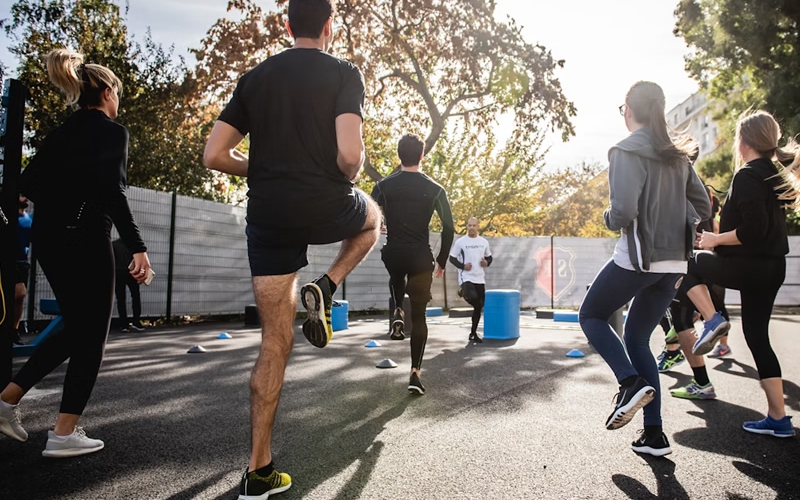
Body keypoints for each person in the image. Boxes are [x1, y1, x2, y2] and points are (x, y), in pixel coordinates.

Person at [203, 0, 380, 496]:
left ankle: (259, 471)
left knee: (273, 345)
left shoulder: (256, 77)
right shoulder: (345, 72)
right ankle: (327, 283)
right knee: (372, 221)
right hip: (326, 202)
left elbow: (214, 154)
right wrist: (348, 173)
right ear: (328, 27)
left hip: (269, 216)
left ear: (287, 26)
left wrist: (261, 167)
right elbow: (349, 155)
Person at [0, 48, 151, 457]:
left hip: (50, 243)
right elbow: (113, 192)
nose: (117, 102)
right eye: (117, 93)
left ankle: (7, 400)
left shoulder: (61, 133)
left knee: (75, 329)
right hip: (86, 240)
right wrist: (137, 247)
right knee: (92, 337)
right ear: (105, 92)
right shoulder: (111, 132)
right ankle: (63, 433)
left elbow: (24, 184)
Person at [578, 81, 711, 457]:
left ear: (630, 111)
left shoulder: (624, 150)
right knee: (637, 339)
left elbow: (622, 212)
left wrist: (607, 216)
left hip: (639, 258)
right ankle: (654, 435)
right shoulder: (679, 156)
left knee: (590, 314)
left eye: (622, 109)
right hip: (674, 264)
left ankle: (629, 381)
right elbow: (703, 207)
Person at [683, 110, 799, 438]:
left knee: (689, 263)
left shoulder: (748, 175)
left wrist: (715, 239)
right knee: (757, 338)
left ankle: (712, 319)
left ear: (743, 141)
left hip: (750, 265)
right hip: (772, 266)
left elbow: (752, 230)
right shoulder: (774, 174)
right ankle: (778, 418)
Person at [371, 134, 455, 395]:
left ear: (399, 155)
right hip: (420, 257)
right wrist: (441, 261)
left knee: (396, 273)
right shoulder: (436, 189)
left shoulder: (383, 186)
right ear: (422, 155)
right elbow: (449, 228)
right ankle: (415, 374)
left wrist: (381, 224)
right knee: (419, 317)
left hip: (394, 252)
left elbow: (369, 215)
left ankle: (397, 309)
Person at [449, 217, 493, 343]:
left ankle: (473, 334)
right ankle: (464, 290)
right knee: (474, 299)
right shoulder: (461, 242)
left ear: (478, 226)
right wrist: (463, 266)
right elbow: (452, 258)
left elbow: (489, 257)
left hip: (480, 278)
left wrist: (486, 262)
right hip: (466, 277)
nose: (471, 228)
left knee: (479, 306)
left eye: (474, 225)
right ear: (467, 227)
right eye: (469, 225)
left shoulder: (484, 242)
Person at [112, 238, 144, 332]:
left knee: (121, 300)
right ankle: (136, 321)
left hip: (118, 274)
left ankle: (124, 325)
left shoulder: (114, 245)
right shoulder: (133, 244)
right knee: (136, 297)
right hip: (132, 274)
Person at [13, 196, 33, 345]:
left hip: (23, 262)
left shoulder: (30, 218)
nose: (25, 198)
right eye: (22, 195)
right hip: (9, 262)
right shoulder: (7, 217)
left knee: (19, 299)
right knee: (19, 293)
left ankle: (14, 330)